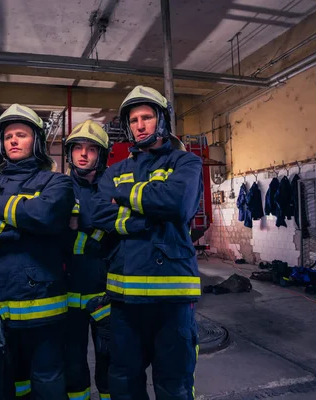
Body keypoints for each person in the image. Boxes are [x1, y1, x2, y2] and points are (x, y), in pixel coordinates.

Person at [89, 86, 203, 400]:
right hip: (125, 300)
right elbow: (98, 214)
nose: (140, 125)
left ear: (161, 120)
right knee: (124, 381)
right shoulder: (114, 171)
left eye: (147, 117)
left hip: (173, 297)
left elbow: (178, 203)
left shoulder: (186, 163)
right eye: (134, 119)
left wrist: (124, 197)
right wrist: (150, 215)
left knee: (174, 384)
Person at [0, 104, 74, 400]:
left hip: (44, 305)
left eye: (20, 134)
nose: (13, 141)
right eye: (8, 136)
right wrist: (22, 226)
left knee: (47, 380)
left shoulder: (57, 182)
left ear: (35, 140)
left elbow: (46, 215)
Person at [63, 120, 113, 400]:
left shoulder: (112, 185)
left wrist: (78, 219)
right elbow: (50, 222)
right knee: (72, 361)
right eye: (78, 148)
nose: (83, 154)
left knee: (109, 358)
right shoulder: (58, 186)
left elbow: (117, 221)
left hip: (105, 291)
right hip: (68, 291)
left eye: (91, 149)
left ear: (100, 155)